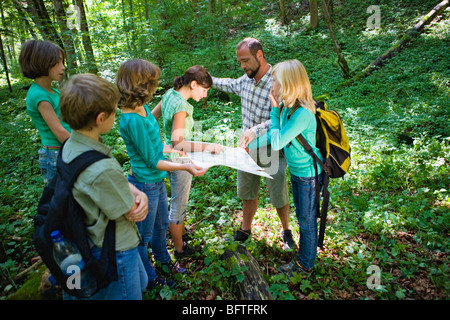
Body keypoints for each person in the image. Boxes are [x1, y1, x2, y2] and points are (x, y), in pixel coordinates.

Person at [116, 59, 207, 288]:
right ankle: (151, 279)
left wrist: (181, 154)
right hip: (144, 184)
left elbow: (157, 146)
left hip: (155, 182)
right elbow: (154, 160)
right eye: (152, 82)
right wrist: (185, 166)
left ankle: (165, 263)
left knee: (160, 227)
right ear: (140, 84)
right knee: (143, 237)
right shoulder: (132, 119)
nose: (155, 86)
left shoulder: (142, 108)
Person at [59, 73, 149, 300]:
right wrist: (141, 199)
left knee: (143, 281)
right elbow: (130, 211)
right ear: (101, 118)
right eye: (113, 111)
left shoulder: (73, 146)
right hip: (115, 250)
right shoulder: (101, 168)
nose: (116, 114)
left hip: (91, 238)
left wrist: (135, 190)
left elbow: (115, 186)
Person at [211, 38, 296, 250]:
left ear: (260, 55)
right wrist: (205, 79)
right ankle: (245, 229)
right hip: (246, 149)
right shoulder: (245, 80)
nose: (243, 66)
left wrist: (255, 130)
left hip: (271, 147)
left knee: (278, 191)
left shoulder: (277, 81)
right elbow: (228, 83)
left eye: (245, 60)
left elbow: (281, 116)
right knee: (247, 190)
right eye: (240, 61)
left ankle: (286, 232)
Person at [250, 59, 323, 275]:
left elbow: (278, 141)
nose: (271, 84)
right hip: (299, 174)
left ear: (288, 84)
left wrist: (273, 111)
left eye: (275, 80)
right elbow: (275, 137)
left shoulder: (302, 114)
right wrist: (248, 146)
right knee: (303, 217)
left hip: (309, 176)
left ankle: (305, 265)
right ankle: (304, 258)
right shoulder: (287, 109)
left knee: (306, 221)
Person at [153, 65, 223, 258]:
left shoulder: (169, 94)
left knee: (177, 200)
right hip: (179, 159)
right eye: (204, 90)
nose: (205, 95)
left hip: (167, 155)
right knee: (178, 204)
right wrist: (208, 146)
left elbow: (152, 118)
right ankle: (180, 249)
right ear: (193, 84)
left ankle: (182, 232)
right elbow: (178, 142)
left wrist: (158, 143)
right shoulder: (181, 105)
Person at [19, 39, 71, 185]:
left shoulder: (53, 91)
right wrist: (82, 147)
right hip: (55, 154)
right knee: (59, 198)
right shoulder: (39, 95)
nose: (63, 67)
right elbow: (58, 130)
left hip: (64, 149)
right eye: (58, 63)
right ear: (43, 62)